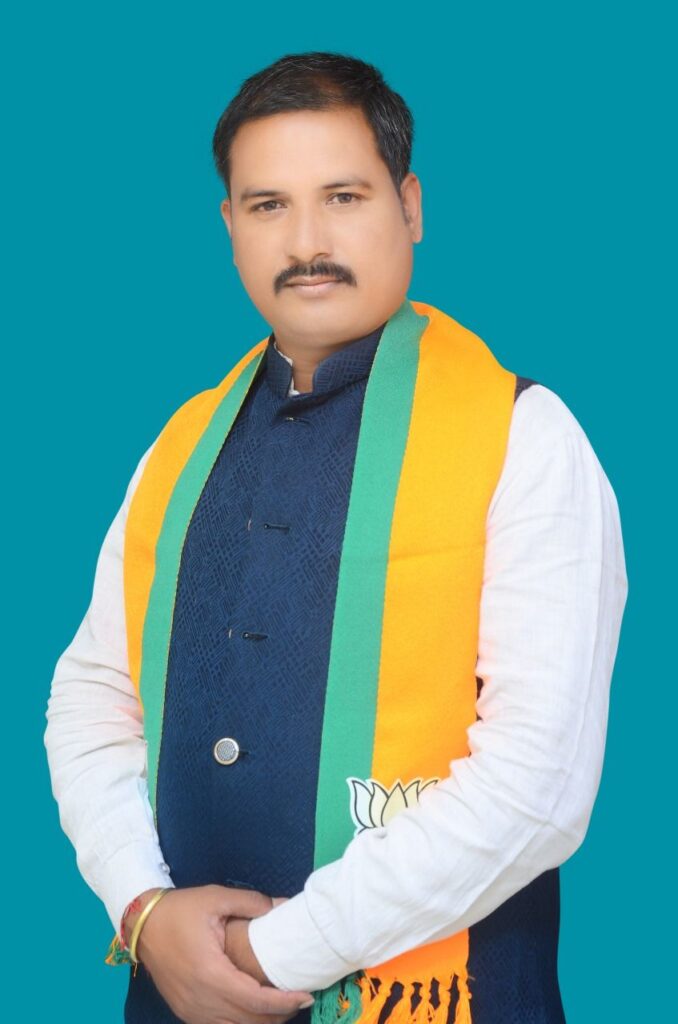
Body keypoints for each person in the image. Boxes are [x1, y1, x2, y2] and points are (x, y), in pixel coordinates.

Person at [44, 50, 628, 1024]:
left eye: (344, 197)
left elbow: (539, 786)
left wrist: (269, 955)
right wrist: (143, 911)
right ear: (231, 229)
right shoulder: (178, 448)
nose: (307, 242)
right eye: (268, 205)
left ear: (411, 207)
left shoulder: (522, 436)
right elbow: (91, 698)